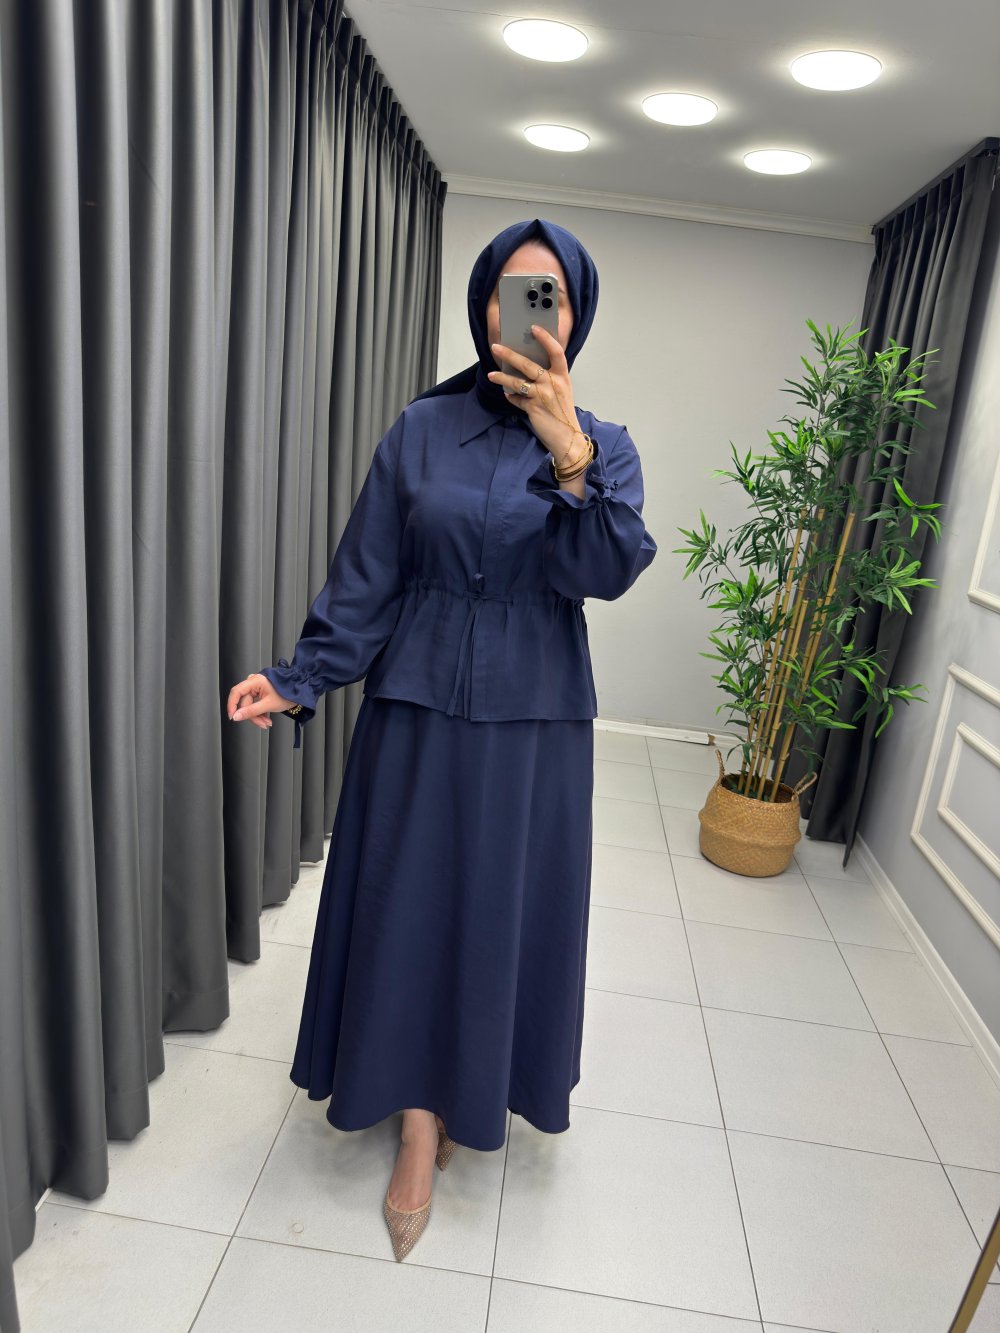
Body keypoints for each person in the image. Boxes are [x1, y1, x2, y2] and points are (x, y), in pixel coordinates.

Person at [226, 218, 657, 1262]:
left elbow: (606, 568)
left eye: (550, 296)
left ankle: (475, 1093)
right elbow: (367, 575)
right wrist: (298, 677)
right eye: (511, 291)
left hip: (533, 724)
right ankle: (417, 1123)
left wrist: (569, 456)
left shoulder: (604, 446)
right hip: (415, 708)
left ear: (576, 317)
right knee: (409, 907)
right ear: (481, 306)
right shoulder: (419, 429)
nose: (529, 313)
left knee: (500, 910)